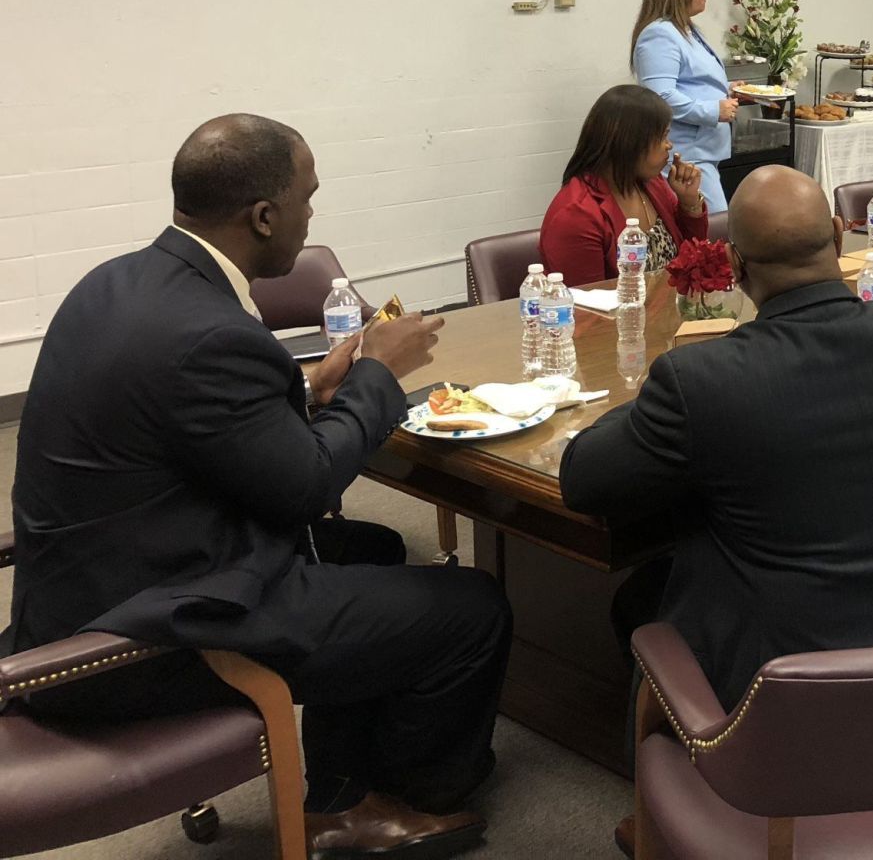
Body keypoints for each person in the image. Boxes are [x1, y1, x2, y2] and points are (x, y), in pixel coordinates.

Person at [4, 115, 511, 857]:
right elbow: (303, 485)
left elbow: (194, 423)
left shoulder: (119, 281)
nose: (313, 216)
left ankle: (339, 792)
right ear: (264, 215)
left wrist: (308, 394)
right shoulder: (209, 331)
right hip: (137, 638)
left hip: (92, 583)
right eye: (308, 198)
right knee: (473, 608)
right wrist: (377, 374)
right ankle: (403, 799)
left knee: (369, 548)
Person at [559, 165, 873, 713]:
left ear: (732, 265)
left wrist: (677, 389)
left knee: (646, 591)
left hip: (777, 697)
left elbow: (583, 480)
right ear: (835, 234)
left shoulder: (703, 381)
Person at [541, 84, 709, 282]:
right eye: (663, 136)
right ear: (629, 142)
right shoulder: (576, 214)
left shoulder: (651, 183)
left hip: (671, 308)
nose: (669, 145)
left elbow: (694, 258)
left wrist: (689, 202)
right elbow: (589, 304)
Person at [631, 0, 739, 215]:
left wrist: (727, 91)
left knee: (713, 228)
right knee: (717, 231)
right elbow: (661, 97)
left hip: (704, 151)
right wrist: (714, 110)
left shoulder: (687, 29)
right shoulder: (659, 34)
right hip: (686, 154)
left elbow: (694, 83)